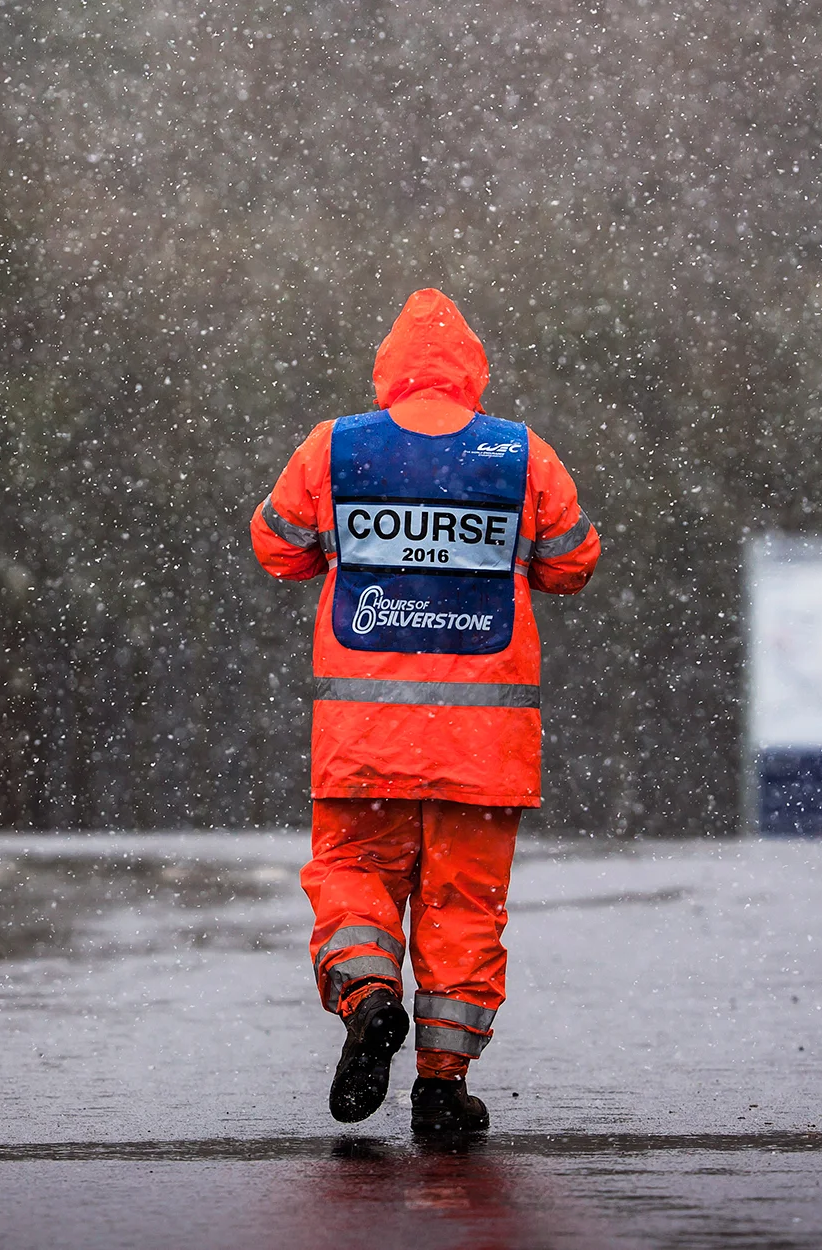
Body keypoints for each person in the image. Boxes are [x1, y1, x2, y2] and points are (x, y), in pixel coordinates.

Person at [250, 289, 599, 1140]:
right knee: (464, 908)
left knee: (351, 873)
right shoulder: (519, 453)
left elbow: (277, 546)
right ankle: (443, 1087)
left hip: (363, 741)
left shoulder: (337, 447)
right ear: (474, 373)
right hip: (484, 749)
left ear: (387, 371)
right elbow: (573, 561)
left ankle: (369, 997)